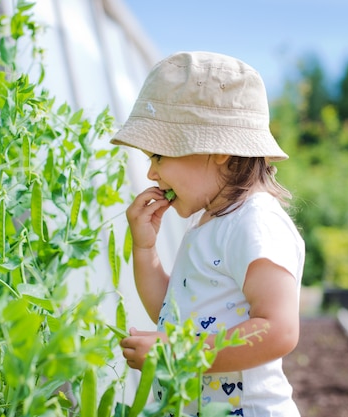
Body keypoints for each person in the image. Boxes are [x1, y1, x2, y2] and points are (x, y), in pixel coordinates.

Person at [110, 51, 305, 416]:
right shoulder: (210, 224)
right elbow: (170, 313)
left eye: (158, 156)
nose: (152, 174)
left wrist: (177, 354)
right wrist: (145, 248)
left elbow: (279, 330)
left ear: (216, 149)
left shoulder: (255, 222)